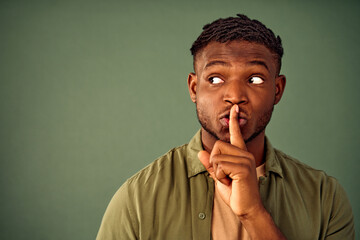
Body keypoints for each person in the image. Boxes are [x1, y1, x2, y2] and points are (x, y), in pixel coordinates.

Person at [96, 14, 355, 240]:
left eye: (254, 79)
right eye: (216, 78)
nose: (234, 95)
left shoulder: (325, 198)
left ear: (277, 90)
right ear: (194, 88)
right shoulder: (137, 198)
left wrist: (253, 214)